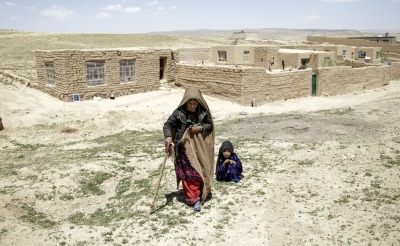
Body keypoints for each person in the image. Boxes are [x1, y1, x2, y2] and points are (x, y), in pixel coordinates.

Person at [163, 87, 215, 212]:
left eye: (195, 103)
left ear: (199, 103)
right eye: (190, 103)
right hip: (183, 149)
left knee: (200, 170)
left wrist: (201, 128)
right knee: (188, 174)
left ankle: (201, 192)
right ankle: (194, 198)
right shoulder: (178, 113)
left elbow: (210, 124)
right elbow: (167, 125)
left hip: (198, 148)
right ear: (185, 102)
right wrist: (169, 137)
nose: (192, 106)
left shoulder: (203, 113)